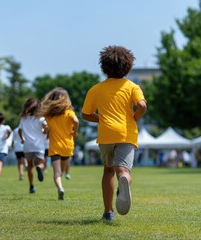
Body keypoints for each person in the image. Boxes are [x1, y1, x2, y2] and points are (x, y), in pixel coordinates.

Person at [81, 45, 147, 221]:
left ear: (104, 67)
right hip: (126, 133)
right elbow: (142, 106)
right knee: (123, 170)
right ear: (128, 66)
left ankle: (108, 212)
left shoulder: (96, 89)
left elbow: (85, 114)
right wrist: (135, 117)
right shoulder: (132, 86)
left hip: (106, 134)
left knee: (108, 171)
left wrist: (101, 119)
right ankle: (124, 180)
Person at [41, 87, 79, 200]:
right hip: (67, 146)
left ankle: (60, 188)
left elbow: (45, 129)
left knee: (57, 173)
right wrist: (74, 132)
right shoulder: (69, 112)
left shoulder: (48, 115)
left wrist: (46, 131)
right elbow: (76, 121)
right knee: (62, 171)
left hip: (55, 146)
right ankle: (61, 185)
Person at [18, 98, 47, 194]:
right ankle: (39, 167)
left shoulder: (23, 118)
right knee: (41, 163)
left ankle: (31, 186)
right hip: (39, 145)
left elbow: (19, 130)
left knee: (30, 166)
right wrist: (45, 132)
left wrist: (22, 139)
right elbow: (46, 126)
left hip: (27, 146)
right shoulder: (40, 118)